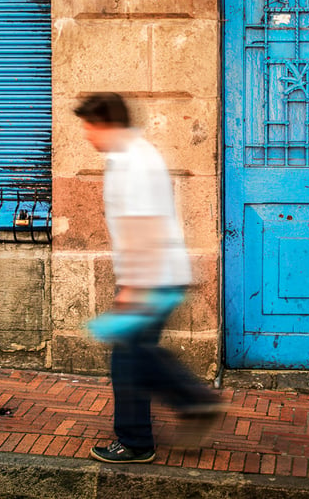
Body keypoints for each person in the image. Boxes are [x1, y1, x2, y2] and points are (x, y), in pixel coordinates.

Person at [74, 92, 223, 464]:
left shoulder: (133, 162)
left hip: (151, 277)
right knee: (137, 354)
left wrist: (133, 287)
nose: (87, 135)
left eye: (90, 126)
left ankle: (141, 437)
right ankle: (184, 408)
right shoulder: (131, 156)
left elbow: (143, 226)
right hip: (157, 273)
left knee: (129, 358)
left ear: (107, 124)